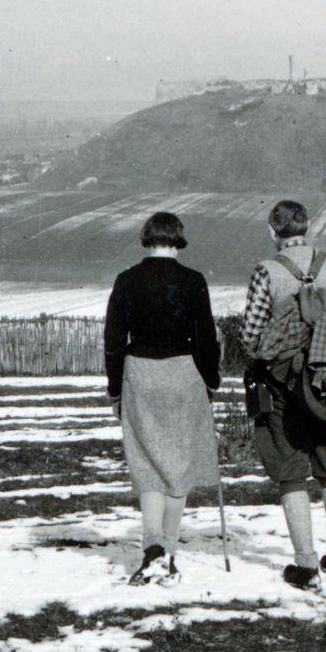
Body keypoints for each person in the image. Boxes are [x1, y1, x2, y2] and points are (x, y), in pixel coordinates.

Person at [241, 199, 326, 590]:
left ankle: (306, 565)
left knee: (291, 472)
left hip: (284, 387)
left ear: (272, 231)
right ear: (307, 228)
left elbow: (250, 340)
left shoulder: (267, 271)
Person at [104, 211, 222, 585]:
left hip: (140, 374)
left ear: (147, 238)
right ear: (177, 240)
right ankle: (167, 552)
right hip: (183, 375)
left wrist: (115, 389)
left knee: (146, 464)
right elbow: (206, 339)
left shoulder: (126, 280)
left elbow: (112, 341)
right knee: (179, 465)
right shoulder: (194, 280)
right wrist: (211, 382)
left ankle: (153, 547)